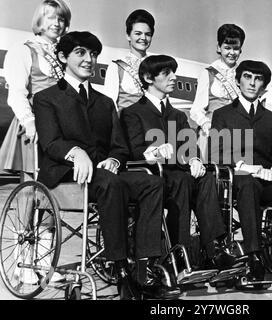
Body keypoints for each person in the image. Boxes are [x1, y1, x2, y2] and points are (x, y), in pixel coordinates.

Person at [33, 31, 180, 300]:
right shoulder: (46, 98)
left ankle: (144, 267)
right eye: (80, 53)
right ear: (63, 57)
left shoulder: (104, 102)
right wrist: (76, 152)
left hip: (103, 174)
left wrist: (114, 159)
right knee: (111, 183)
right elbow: (50, 142)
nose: (89, 59)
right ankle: (120, 268)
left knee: (151, 183)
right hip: (66, 175)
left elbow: (119, 146)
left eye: (93, 54)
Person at [120, 55, 236, 270]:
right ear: (148, 78)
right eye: (166, 73)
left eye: (174, 72)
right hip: (151, 175)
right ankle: (180, 254)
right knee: (182, 181)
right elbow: (134, 151)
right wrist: (154, 151)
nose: (173, 77)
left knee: (206, 178)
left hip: (177, 174)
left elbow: (188, 145)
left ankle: (215, 251)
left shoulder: (178, 116)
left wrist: (194, 159)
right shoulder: (132, 113)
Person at [210, 60, 272, 286]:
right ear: (237, 80)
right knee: (247, 184)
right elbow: (216, 154)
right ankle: (254, 257)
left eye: (258, 79)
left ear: (264, 85)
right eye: (247, 77)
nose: (252, 83)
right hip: (238, 177)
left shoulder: (270, 118)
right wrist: (246, 167)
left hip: (266, 177)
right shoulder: (222, 114)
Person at [0, 0, 71, 175]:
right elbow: (17, 93)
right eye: (51, 17)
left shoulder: (66, 55)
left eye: (61, 19)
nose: (56, 23)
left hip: (63, 127)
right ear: (40, 19)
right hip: (36, 123)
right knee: (31, 186)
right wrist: (29, 121)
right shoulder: (23, 50)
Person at [189, 24, 245, 159]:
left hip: (238, 135)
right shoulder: (208, 73)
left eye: (236, 48)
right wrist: (206, 124)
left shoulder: (244, 74)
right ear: (218, 48)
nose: (232, 52)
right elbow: (196, 110)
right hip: (212, 133)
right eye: (227, 48)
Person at [103, 9, 155, 115]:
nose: (143, 38)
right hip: (126, 128)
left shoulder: (157, 67)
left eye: (148, 34)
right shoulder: (116, 67)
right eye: (138, 33)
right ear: (128, 35)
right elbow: (109, 106)